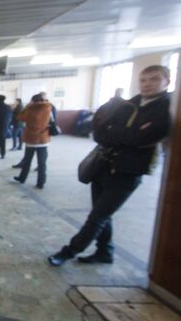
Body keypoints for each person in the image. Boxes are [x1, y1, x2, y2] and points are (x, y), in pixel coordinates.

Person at [48, 65, 172, 267]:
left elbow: (143, 137)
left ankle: (69, 251)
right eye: (143, 80)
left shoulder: (167, 107)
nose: (147, 84)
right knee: (101, 212)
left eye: (154, 79)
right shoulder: (129, 104)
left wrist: (119, 133)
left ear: (166, 81)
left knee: (98, 216)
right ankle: (105, 252)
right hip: (103, 165)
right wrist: (126, 134)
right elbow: (99, 132)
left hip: (127, 172)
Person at [13, 94, 52, 189]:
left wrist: (27, 106)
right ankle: (41, 182)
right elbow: (52, 120)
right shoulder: (48, 108)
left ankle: (22, 178)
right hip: (43, 139)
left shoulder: (30, 109)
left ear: (33, 101)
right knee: (42, 163)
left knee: (27, 161)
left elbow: (20, 117)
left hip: (31, 139)